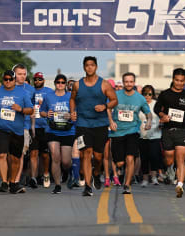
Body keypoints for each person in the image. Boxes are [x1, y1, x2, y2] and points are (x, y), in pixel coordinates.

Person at [70, 56, 118, 196]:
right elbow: (72, 99)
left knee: (98, 157)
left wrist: (105, 106)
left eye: (92, 65)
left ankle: (96, 173)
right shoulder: (78, 85)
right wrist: (72, 111)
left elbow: (114, 100)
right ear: (84, 67)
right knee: (85, 153)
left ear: (96, 67)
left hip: (100, 124)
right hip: (82, 124)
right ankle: (88, 186)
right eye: (87, 65)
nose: (89, 67)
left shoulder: (104, 84)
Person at [0, 70, 33, 194]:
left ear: (14, 80)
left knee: (15, 159)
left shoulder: (23, 93)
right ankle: (4, 182)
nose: (8, 82)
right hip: (1, 128)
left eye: (10, 79)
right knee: (2, 155)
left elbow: (31, 110)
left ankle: (13, 183)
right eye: (5, 79)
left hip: (17, 130)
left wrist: (21, 109)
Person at [108, 72, 151, 194]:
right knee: (120, 162)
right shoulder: (115, 95)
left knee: (130, 158)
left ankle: (127, 184)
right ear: (123, 82)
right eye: (126, 81)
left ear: (134, 82)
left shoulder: (140, 98)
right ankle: (120, 170)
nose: (129, 84)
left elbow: (148, 113)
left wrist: (149, 121)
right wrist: (111, 121)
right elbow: (108, 108)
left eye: (131, 81)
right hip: (117, 132)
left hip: (132, 131)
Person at [154, 68, 185, 198]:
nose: (179, 83)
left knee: (180, 159)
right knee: (169, 158)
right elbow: (157, 108)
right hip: (168, 131)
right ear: (173, 79)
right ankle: (169, 169)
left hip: (183, 130)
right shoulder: (165, 94)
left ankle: (180, 185)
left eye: (182, 81)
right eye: (177, 80)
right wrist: (162, 115)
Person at [40, 74, 75, 194]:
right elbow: (41, 111)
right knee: (55, 157)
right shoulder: (49, 97)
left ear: (66, 84)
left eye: (62, 82)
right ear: (55, 83)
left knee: (65, 161)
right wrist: (47, 114)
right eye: (58, 82)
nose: (60, 84)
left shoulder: (71, 96)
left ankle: (69, 170)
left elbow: (77, 113)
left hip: (68, 131)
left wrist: (71, 115)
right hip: (52, 130)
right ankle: (58, 185)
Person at [30, 72, 54, 189]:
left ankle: (45, 174)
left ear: (43, 80)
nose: (37, 81)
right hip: (34, 126)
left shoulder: (49, 92)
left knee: (44, 154)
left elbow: (53, 105)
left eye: (39, 79)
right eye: (35, 79)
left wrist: (44, 104)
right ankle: (33, 177)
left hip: (45, 127)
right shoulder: (31, 91)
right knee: (33, 153)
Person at [13, 64, 35, 187]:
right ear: (14, 74)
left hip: (24, 126)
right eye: (19, 74)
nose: (22, 76)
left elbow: (33, 109)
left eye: (24, 74)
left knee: (20, 154)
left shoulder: (31, 90)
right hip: (7, 125)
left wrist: (33, 127)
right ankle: (5, 179)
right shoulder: (7, 87)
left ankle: (16, 181)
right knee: (5, 154)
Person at [139, 85, 163, 186]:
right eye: (145, 94)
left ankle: (154, 177)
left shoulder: (156, 104)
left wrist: (161, 123)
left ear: (153, 95)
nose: (147, 96)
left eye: (150, 94)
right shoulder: (139, 105)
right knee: (144, 157)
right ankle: (145, 178)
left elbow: (162, 116)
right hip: (142, 135)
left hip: (155, 134)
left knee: (154, 156)